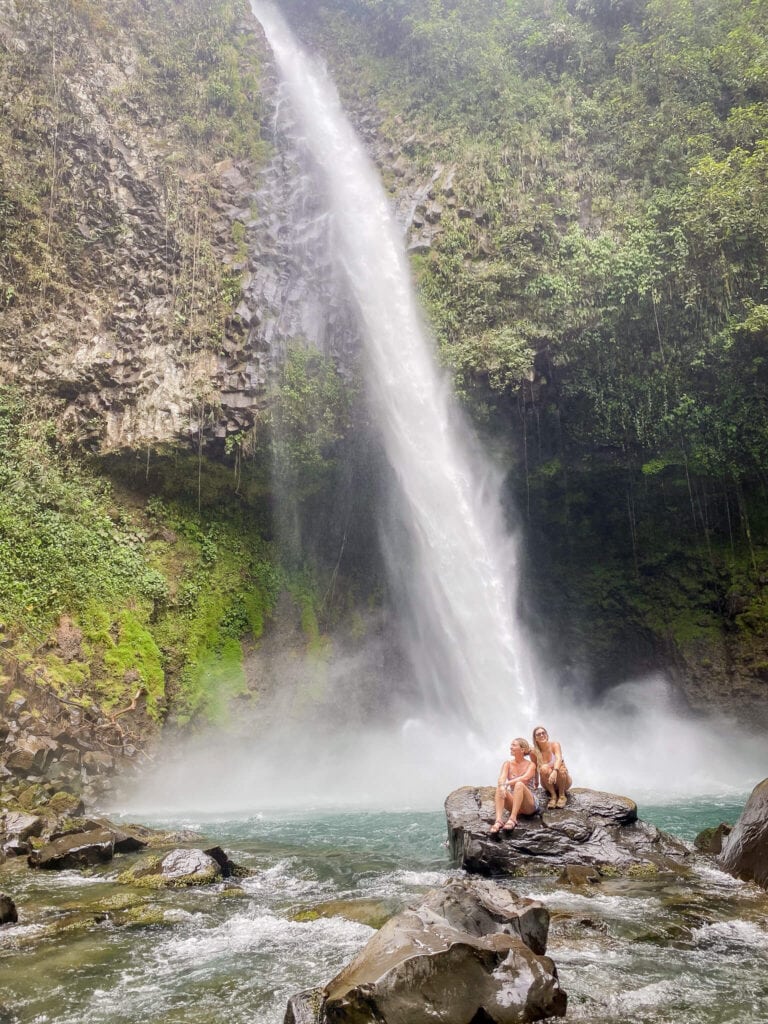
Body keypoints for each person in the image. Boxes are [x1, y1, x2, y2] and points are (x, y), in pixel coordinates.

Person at [490, 737, 540, 832]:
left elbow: (524, 778)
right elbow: (502, 778)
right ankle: (499, 820)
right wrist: (502, 785)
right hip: (515, 803)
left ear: (522, 750)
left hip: (529, 805)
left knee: (519, 784)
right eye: (511, 745)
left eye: (514, 745)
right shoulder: (507, 764)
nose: (510, 747)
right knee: (499, 788)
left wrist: (507, 783)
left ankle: (513, 818)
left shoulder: (531, 765)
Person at [532, 725, 571, 809]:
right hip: (548, 783)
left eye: (543, 733)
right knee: (544, 768)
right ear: (535, 738)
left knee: (560, 767)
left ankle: (562, 795)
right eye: (538, 734)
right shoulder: (534, 752)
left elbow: (558, 758)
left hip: (563, 781)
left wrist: (555, 771)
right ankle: (553, 796)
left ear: (547, 735)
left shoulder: (555, 745)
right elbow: (535, 768)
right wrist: (536, 783)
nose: (541, 735)